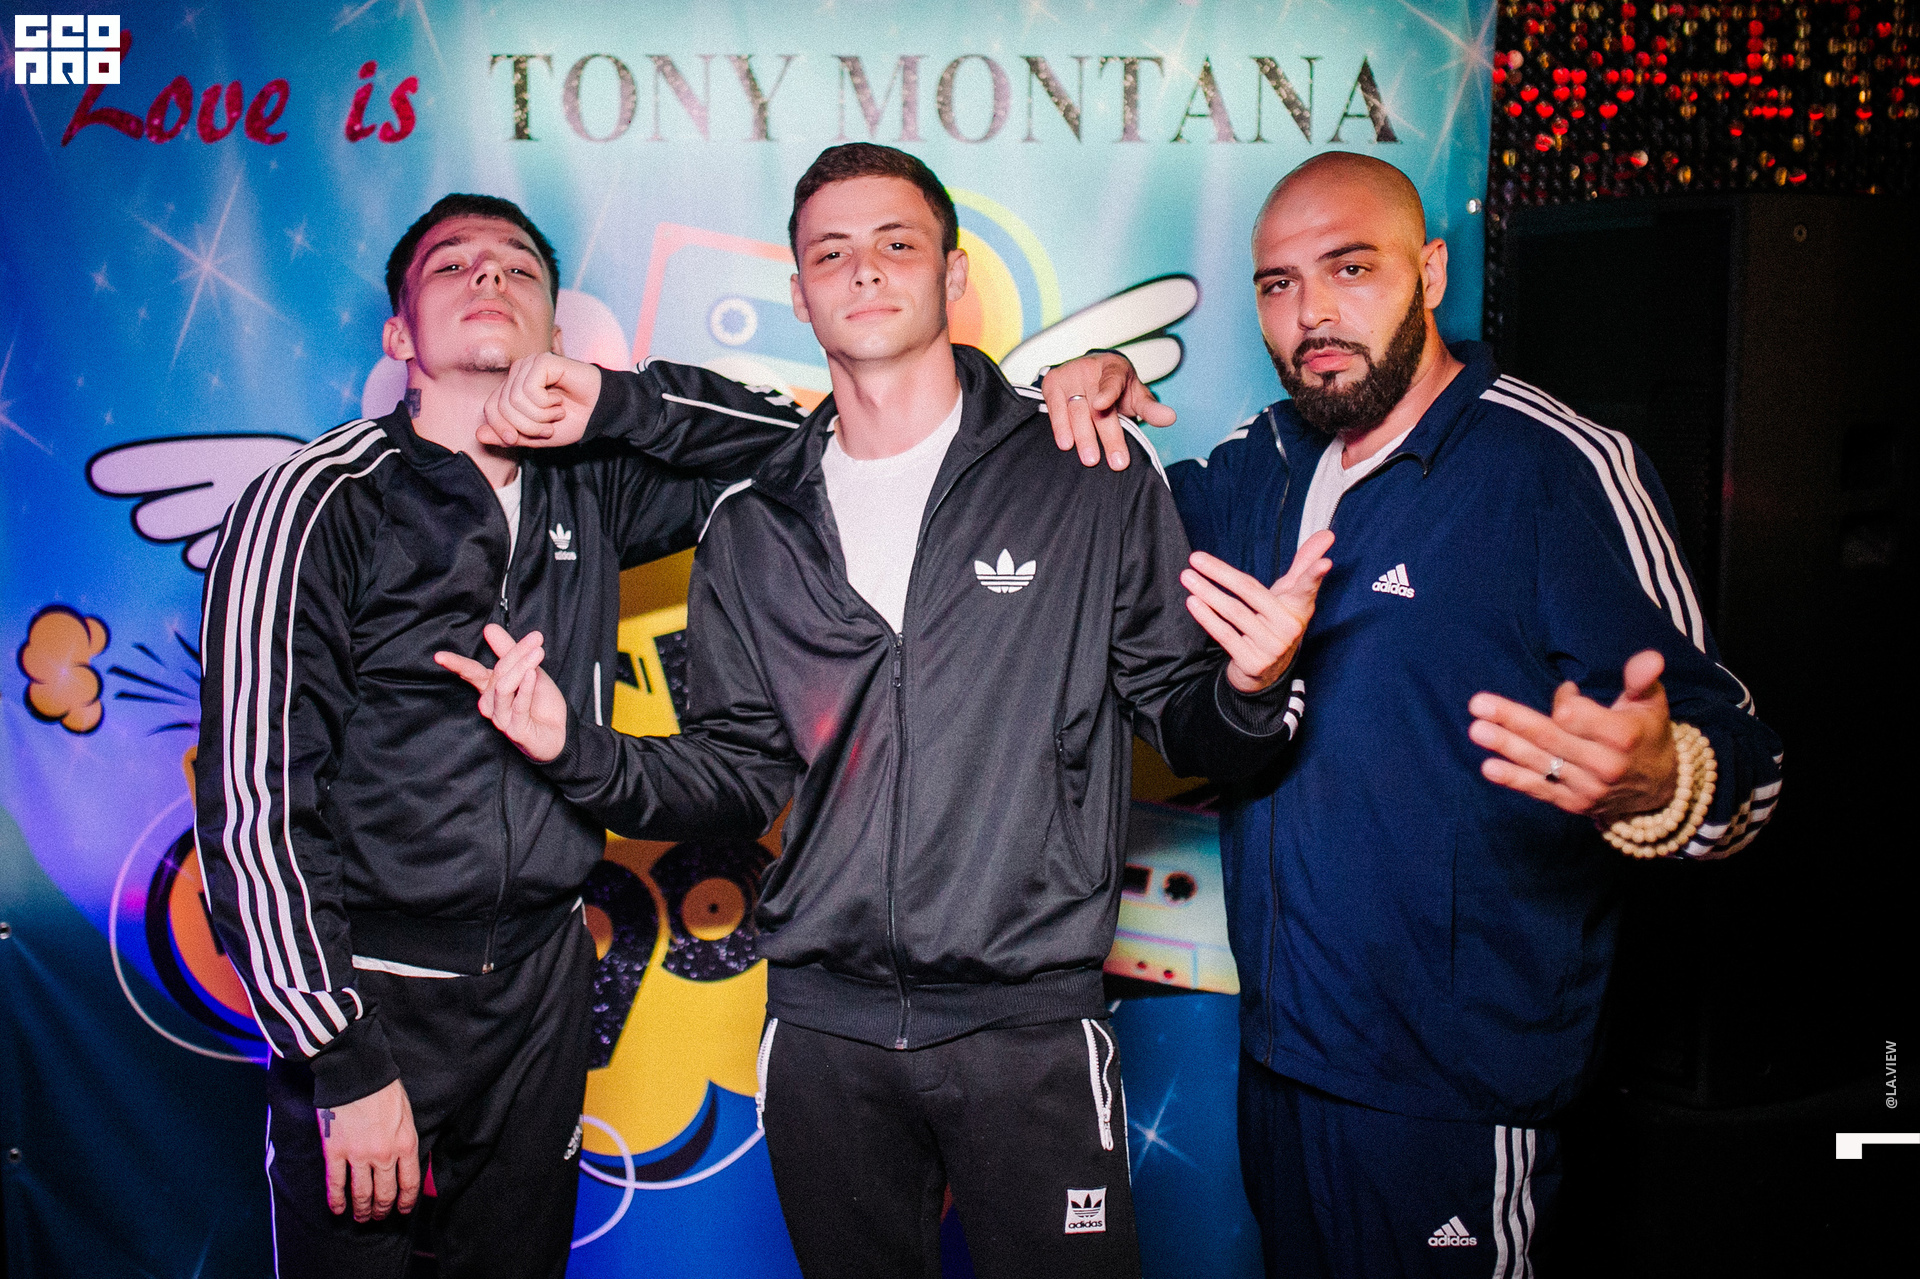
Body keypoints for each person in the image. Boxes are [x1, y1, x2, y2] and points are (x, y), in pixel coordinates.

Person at [192, 190, 1152, 1279]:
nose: (490, 277)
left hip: (544, 987)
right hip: (375, 994)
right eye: (453, 266)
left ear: (555, 328)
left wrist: (611, 400)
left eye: (518, 267)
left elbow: (797, 438)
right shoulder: (316, 502)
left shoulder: (586, 487)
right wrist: (342, 1056)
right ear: (399, 335)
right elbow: (254, 806)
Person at [439, 142, 1335, 1279]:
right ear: (800, 292)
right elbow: (737, 774)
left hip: (1029, 1028)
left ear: (952, 276)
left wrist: (1250, 689)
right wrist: (578, 749)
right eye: (832, 253)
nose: (863, 269)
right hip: (825, 1035)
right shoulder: (752, 520)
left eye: (895, 243)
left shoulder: (1087, 467)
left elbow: (1177, 712)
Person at [1080, 153, 1783, 1278]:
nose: (1312, 313)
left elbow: (1743, 757)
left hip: (1456, 1093)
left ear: (1433, 271)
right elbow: (1104, 533)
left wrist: (1665, 778)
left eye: (1351, 268)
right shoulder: (1259, 464)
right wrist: (1087, 387)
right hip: (1285, 1062)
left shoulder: (1554, 468)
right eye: (1278, 284)